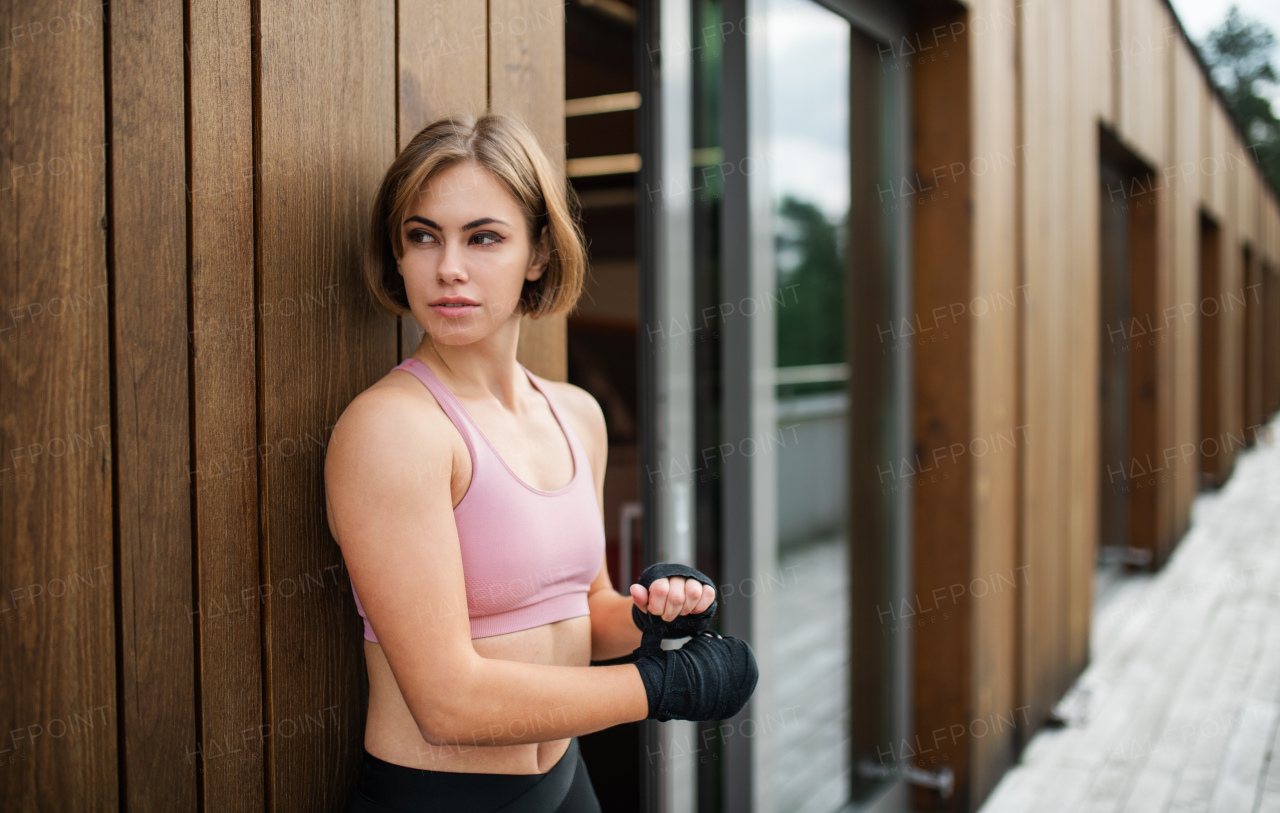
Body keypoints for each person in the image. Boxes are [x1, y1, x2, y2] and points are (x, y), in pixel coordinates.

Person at [325, 112, 758, 813]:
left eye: (484, 236)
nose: (449, 268)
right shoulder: (393, 429)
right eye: (422, 236)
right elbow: (447, 701)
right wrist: (662, 686)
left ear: (537, 253)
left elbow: (585, 612)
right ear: (398, 255)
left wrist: (656, 618)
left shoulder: (574, 414)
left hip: (564, 781)